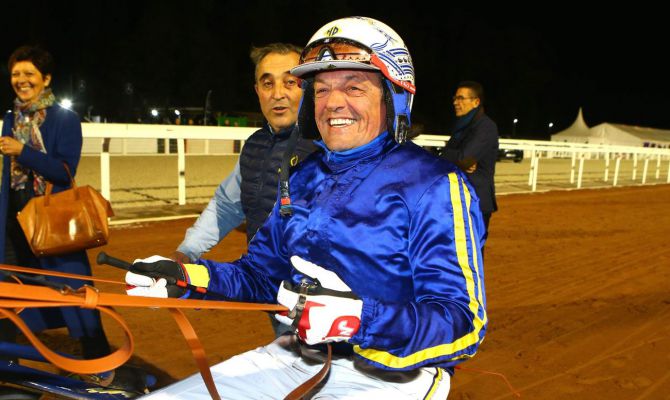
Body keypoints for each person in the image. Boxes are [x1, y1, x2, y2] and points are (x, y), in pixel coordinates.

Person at [126, 17, 486, 399]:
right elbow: (261, 276)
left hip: (393, 377)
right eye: (322, 89)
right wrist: (187, 278)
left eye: (353, 87)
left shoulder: (433, 184)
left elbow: (463, 323)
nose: (332, 102)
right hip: (297, 356)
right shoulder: (302, 177)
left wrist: (359, 320)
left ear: (392, 95)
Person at [172, 43, 317, 337]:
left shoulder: (331, 147)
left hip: (322, 300)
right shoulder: (254, 147)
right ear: (257, 91)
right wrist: (186, 252)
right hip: (270, 287)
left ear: (309, 87)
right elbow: (226, 205)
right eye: (268, 83)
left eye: (290, 82)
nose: (278, 93)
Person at [0, 46, 111, 369]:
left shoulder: (65, 119)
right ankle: (10, 368)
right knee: (9, 293)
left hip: (53, 217)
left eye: (28, 74)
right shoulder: (10, 117)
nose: (21, 80)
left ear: (45, 79)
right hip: (13, 219)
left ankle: (100, 363)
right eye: (15, 74)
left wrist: (23, 151)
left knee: (74, 291)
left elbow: (65, 170)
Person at [440, 81, 499, 237]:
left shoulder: (486, 126)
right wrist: (455, 159)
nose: (455, 102)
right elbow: (453, 157)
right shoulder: (463, 126)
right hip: (458, 199)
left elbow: (464, 158)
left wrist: (456, 158)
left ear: (476, 102)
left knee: (473, 255)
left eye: (461, 98)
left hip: (476, 202)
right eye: (455, 98)